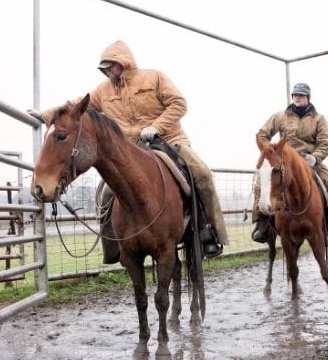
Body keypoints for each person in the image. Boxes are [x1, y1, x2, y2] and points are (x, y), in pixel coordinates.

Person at [36, 40, 229, 261]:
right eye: (104, 69)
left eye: (111, 66)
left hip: (169, 139)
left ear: (124, 63)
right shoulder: (102, 91)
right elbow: (75, 107)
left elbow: (179, 103)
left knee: (201, 174)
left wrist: (156, 127)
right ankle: (114, 247)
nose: (108, 72)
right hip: (131, 149)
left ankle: (209, 233)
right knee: (107, 194)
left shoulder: (154, 77)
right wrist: (44, 116)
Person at [252, 82, 328, 246]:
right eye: (295, 95)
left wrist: (315, 157)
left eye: (301, 95)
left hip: (309, 162)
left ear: (308, 97)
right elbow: (262, 134)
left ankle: (326, 228)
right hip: (284, 161)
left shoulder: (319, 119)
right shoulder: (280, 116)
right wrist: (270, 152)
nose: (297, 98)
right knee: (260, 183)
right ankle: (263, 224)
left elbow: (325, 143)